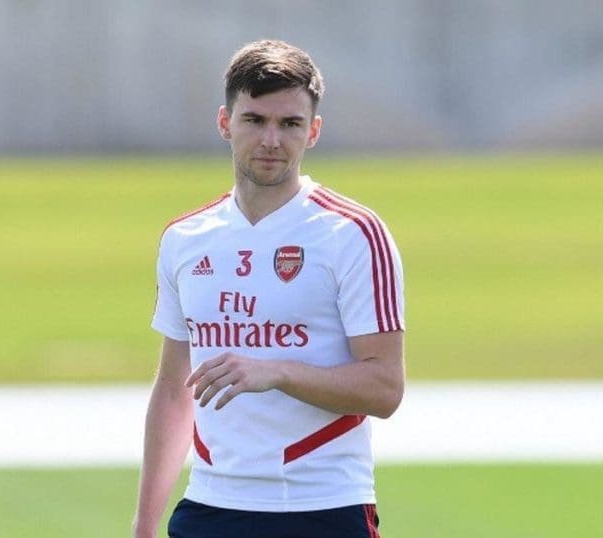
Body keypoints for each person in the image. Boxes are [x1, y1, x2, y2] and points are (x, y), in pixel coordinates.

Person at [132, 40, 404, 538]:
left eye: (290, 124)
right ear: (224, 122)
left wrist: (276, 371)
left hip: (322, 506)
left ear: (314, 131)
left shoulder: (354, 234)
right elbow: (174, 389)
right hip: (210, 507)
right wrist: (145, 524)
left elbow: (385, 389)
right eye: (255, 120)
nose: (271, 140)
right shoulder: (184, 238)